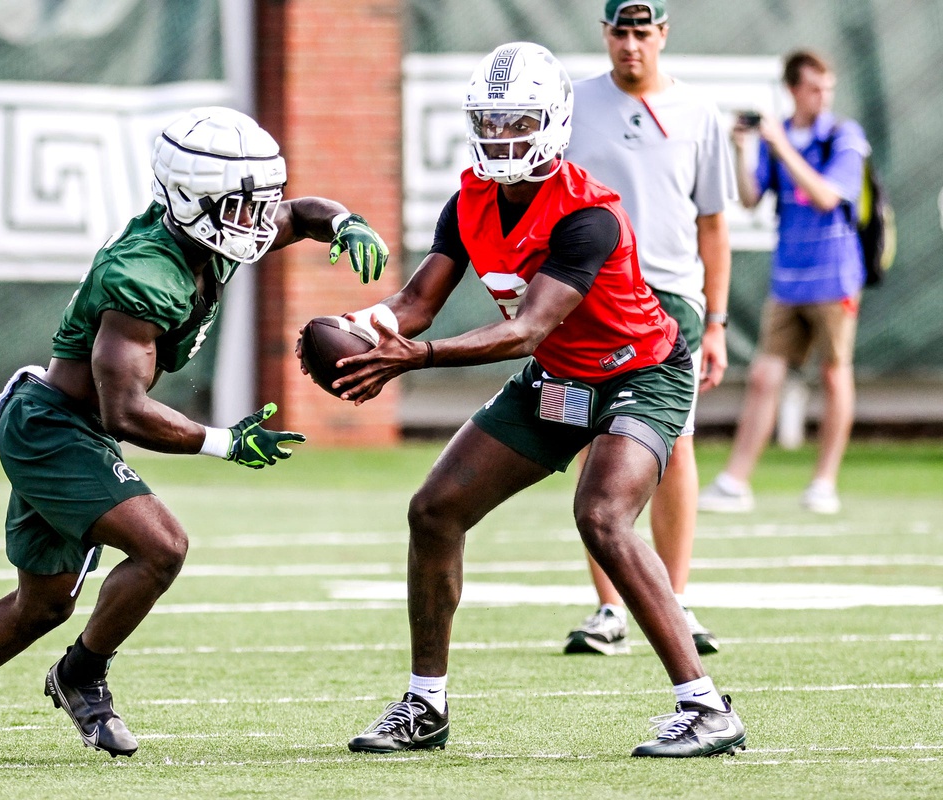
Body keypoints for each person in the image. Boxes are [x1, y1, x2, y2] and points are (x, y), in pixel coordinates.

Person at [0, 106, 389, 758]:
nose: (259, 223)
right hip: (55, 429)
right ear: (193, 202)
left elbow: (302, 212)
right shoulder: (142, 275)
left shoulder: (212, 233)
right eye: (242, 208)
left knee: (43, 608)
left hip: (69, 427)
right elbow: (124, 412)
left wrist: (345, 221)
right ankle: (81, 675)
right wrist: (224, 441)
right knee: (162, 546)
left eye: (261, 205)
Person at [329, 42, 745, 758]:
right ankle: (425, 704)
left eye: (517, 121)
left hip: (639, 370)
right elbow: (418, 301)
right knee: (434, 510)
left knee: (603, 514)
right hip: (560, 374)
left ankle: (706, 707)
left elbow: (525, 327)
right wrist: (361, 327)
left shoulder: (588, 215)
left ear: (552, 122)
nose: (501, 138)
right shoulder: (470, 199)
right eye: (489, 124)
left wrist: (414, 359)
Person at [559, 0, 735, 658]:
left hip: (669, 299)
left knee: (676, 443)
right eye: (620, 31)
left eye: (643, 31)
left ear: (663, 34)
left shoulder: (697, 112)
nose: (631, 44)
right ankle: (609, 607)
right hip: (587, 292)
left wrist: (716, 321)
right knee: (590, 437)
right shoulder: (572, 105)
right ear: (605, 34)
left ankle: (675, 598)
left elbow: (713, 223)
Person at [699, 50, 868, 516]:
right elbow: (751, 198)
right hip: (788, 280)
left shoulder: (842, 136)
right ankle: (735, 482)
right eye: (815, 87)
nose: (824, 96)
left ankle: (824, 483)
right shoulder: (778, 141)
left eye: (828, 87)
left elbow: (825, 196)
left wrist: (780, 144)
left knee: (835, 377)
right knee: (763, 376)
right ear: (793, 89)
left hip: (835, 280)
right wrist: (743, 149)